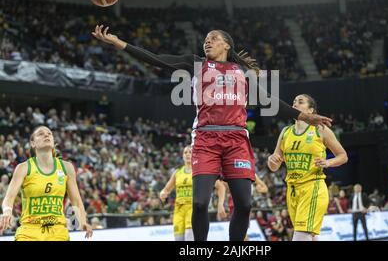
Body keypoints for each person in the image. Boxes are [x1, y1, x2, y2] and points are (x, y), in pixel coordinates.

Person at [92, 26, 332, 241]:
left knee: (245, 204)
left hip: (237, 138)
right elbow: (157, 59)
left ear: (226, 45)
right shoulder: (198, 64)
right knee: (199, 203)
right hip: (206, 138)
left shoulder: (242, 73)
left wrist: (303, 116)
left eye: (213, 38)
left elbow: (269, 100)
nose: (207, 42)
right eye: (205, 39)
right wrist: (118, 43)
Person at [267, 94, 348, 241]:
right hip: (292, 191)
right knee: (308, 236)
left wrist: (328, 162)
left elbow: (343, 156)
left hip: (313, 187)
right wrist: (271, 160)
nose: (295, 104)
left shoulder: (320, 129)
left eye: (300, 102)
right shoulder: (286, 132)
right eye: (293, 102)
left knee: (300, 236)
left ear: (311, 110)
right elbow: (274, 166)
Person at [0, 126, 92, 241]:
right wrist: (7, 211)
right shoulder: (23, 168)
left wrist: (83, 221)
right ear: (33, 143)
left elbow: (76, 200)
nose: (46, 135)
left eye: (49, 133)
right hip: (30, 230)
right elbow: (9, 197)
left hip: (57, 231)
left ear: (53, 141)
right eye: (41, 134)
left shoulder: (66, 167)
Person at [159, 145, 227, 241]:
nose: (187, 154)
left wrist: (220, 204)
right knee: (178, 239)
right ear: (182, 156)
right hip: (178, 211)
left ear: (195, 154)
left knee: (189, 238)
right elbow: (166, 189)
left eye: (190, 152)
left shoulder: (201, 171)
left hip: (193, 210)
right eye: (185, 152)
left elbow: (221, 187)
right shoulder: (177, 173)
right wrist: (163, 193)